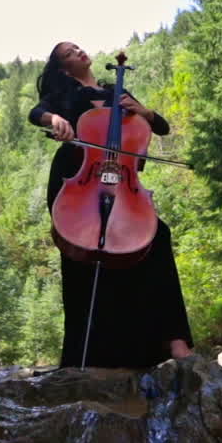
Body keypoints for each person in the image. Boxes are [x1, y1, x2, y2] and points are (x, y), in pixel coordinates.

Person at [28, 41, 194, 368]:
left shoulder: (116, 93)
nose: (78, 52)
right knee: (83, 257)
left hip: (121, 181)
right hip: (77, 178)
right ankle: (85, 355)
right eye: (69, 53)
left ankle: (174, 340)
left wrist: (143, 111)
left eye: (77, 47)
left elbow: (160, 126)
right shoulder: (64, 93)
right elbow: (36, 113)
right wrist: (55, 118)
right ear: (63, 69)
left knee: (156, 237)